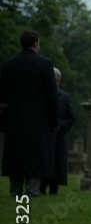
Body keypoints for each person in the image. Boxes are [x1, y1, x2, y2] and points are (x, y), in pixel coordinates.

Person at [0, 30, 59, 197]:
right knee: (35, 155)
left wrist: (3, 119)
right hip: (38, 120)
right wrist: (54, 120)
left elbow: (2, 95)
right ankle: (32, 190)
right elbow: (51, 95)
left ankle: (15, 190)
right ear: (36, 44)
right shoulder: (45, 64)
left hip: (13, 119)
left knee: (15, 154)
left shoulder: (7, 64)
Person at [41, 67, 76, 195]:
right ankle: (41, 187)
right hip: (44, 135)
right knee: (44, 161)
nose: (55, 81)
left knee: (57, 162)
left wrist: (61, 126)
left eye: (57, 79)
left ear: (59, 80)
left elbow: (71, 117)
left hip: (59, 136)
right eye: (53, 79)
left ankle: (54, 188)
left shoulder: (65, 96)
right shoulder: (41, 94)